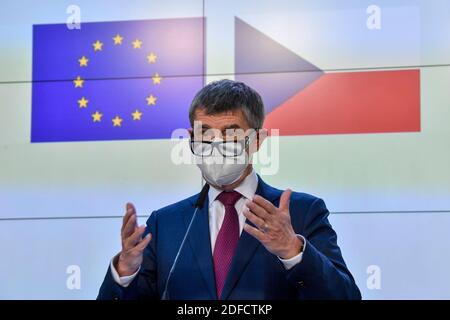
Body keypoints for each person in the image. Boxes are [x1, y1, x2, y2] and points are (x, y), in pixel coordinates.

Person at [97, 79, 361, 300]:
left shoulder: (301, 213)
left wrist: (292, 250)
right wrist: (125, 272)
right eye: (206, 134)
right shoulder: (165, 223)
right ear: (191, 139)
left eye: (230, 134)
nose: (216, 144)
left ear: (257, 140)